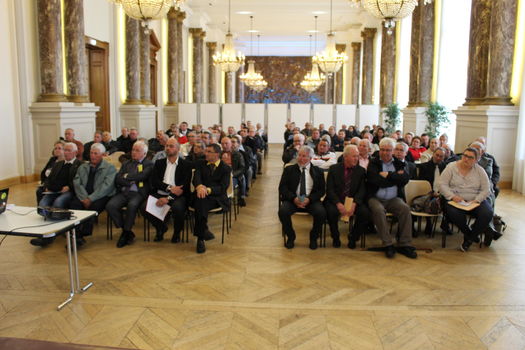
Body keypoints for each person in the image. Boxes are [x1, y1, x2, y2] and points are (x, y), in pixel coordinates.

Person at [367, 138, 417, 259]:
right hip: (375, 198)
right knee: (378, 210)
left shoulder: (399, 163)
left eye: (388, 150)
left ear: (393, 151)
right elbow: (376, 181)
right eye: (382, 150)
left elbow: (405, 179)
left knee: (405, 209)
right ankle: (388, 244)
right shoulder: (373, 163)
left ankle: (405, 244)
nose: (385, 153)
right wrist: (395, 179)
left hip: (393, 198)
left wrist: (388, 175)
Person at [439, 147, 493, 251]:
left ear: (477, 160)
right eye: (465, 156)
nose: (466, 159)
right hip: (455, 199)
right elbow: (442, 185)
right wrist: (452, 196)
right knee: (454, 213)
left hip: (474, 200)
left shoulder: (480, 170)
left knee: (487, 213)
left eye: (470, 157)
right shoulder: (451, 167)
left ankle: (469, 239)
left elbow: (486, 189)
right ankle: (470, 234)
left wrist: (477, 200)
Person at [30, 142, 82, 247]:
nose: (66, 153)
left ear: (75, 152)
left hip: (69, 191)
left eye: (68, 150)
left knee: (58, 203)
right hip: (55, 190)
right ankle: (45, 233)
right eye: (65, 150)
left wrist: (69, 187)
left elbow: (80, 181)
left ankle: (53, 234)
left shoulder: (80, 164)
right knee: (43, 203)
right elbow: (49, 178)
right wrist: (47, 187)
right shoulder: (58, 164)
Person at [106, 141, 154, 248]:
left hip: (139, 193)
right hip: (125, 192)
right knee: (110, 206)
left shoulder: (149, 164)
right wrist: (130, 180)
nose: (134, 152)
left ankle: (125, 234)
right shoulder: (126, 163)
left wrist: (126, 176)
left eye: (137, 150)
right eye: (133, 150)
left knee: (132, 206)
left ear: (144, 154)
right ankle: (126, 231)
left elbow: (142, 176)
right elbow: (118, 178)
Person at [278, 146, 326, 250]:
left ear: (310, 158)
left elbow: (322, 190)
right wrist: (294, 198)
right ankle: (291, 236)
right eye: (299, 155)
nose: (300, 158)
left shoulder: (318, 171)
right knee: (283, 211)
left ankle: (313, 237)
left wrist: (310, 199)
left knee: (321, 213)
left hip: (311, 200)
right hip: (293, 199)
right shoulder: (289, 169)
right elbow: (282, 188)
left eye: (304, 156)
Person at [146, 138, 192, 243]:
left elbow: (183, 188)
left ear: (178, 148)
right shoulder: (159, 163)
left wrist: (168, 198)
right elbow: (155, 181)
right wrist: (169, 188)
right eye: (166, 146)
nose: (168, 148)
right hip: (160, 192)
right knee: (144, 207)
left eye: (171, 146)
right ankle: (160, 228)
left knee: (178, 208)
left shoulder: (186, 165)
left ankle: (177, 233)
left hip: (178, 196)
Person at [70, 143, 117, 245]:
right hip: (84, 195)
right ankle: (75, 234)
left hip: (100, 196)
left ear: (102, 155)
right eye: (91, 153)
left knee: (93, 208)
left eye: (96, 153)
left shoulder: (110, 168)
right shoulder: (83, 166)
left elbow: (106, 187)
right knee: (74, 205)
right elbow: (77, 183)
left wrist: (90, 198)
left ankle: (81, 235)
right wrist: (84, 197)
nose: (92, 156)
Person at [325, 145, 369, 249]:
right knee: (331, 212)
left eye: (357, 156)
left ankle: (353, 237)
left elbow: (362, 190)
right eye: (354, 156)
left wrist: (354, 204)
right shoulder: (334, 169)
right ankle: (335, 236)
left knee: (365, 213)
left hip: (353, 200)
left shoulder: (361, 171)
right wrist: (338, 204)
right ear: (345, 157)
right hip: (336, 200)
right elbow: (329, 190)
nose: (356, 159)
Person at [192, 144, 232, 254]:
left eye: (209, 151)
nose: (206, 153)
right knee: (201, 202)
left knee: (200, 203)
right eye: (206, 151)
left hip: (216, 198)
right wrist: (199, 186)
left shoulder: (225, 168)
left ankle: (201, 237)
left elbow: (223, 187)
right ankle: (202, 234)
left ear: (217, 154)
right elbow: (196, 178)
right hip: (200, 195)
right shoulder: (201, 163)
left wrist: (208, 190)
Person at [416, 147, 446, 235]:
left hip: (442, 193)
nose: (438, 158)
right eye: (437, 155)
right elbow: (421, 183)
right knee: (428, 200)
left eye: (441, 156)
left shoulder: (446, 168)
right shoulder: (424, 166)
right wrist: (432, 192)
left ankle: (445, 224)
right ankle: (429, 222)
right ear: (433, 154)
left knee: (448, 203)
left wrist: (440, 193)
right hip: (427, 193)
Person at [221, 137, 246, 206]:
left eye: (226, 143)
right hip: (221, 176)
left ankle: (225, 203)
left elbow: (242, 168)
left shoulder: (238, 154)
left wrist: (232, 174)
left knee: (226, 185)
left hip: (233, 176)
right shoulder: (219, 154)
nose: (224, 145)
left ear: (231, 144)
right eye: (222, 144)